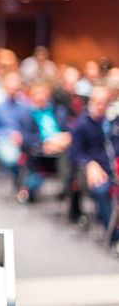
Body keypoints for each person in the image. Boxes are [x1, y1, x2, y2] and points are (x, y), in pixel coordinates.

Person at [69, 84, 119, 244]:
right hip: (93, 171)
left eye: (104, 102)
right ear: (90, 101)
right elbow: (74, 153)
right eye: (97, 101)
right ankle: (113, 236)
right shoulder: (82, 124)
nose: (100, 106)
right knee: (101, 188)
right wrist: (89, 164)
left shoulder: (112, 123)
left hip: (114, 168)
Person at [0, 71, 28, 187]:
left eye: (15, 87)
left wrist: (21, 135)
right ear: (4, 87)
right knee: (11, 157)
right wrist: (8, 134)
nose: (12, 90)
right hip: (4, 140)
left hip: (23, 140)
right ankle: (19, 183)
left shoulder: (25, 107)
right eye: (10, 87)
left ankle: (28, 185)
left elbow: (29, 126)